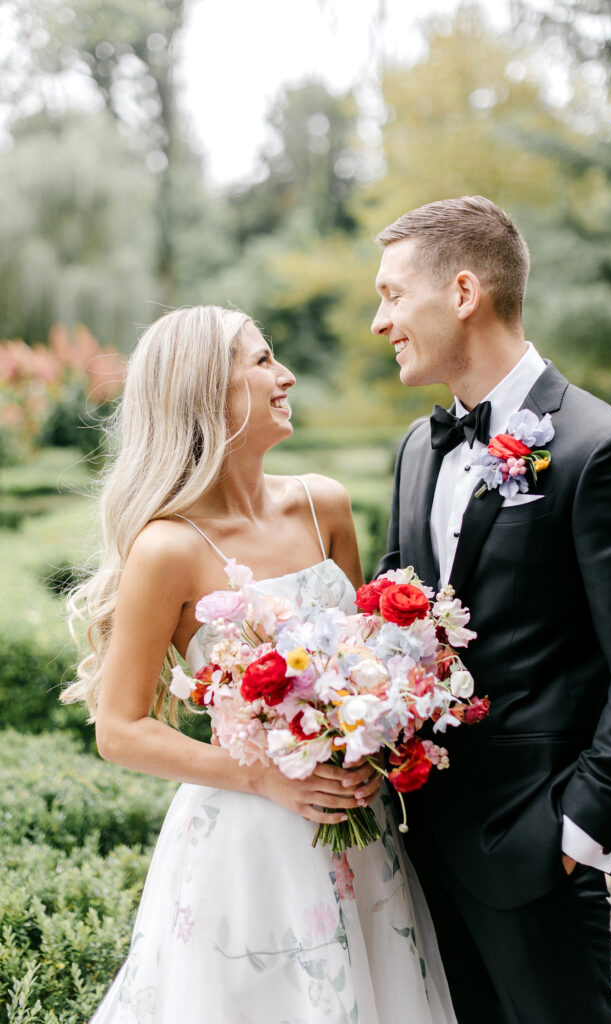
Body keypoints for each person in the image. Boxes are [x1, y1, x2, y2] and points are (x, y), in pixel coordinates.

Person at [62, 306, 457, 1023]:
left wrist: (372, 734)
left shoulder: (322, 505)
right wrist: (264, 776)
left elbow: (361, 661)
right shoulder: (167, 548)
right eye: (264, 360)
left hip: (359, 829)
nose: (287, 375)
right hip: (250, 844)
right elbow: (118, 728)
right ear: (209, 391)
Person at [371, 196, 611, 1024]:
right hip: (418, 849)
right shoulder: (414, 448)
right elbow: (396, 620)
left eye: (393, 295)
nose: (380, 321)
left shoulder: (604, 452)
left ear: (464, 292)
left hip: (537, 850)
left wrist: (581, 831)